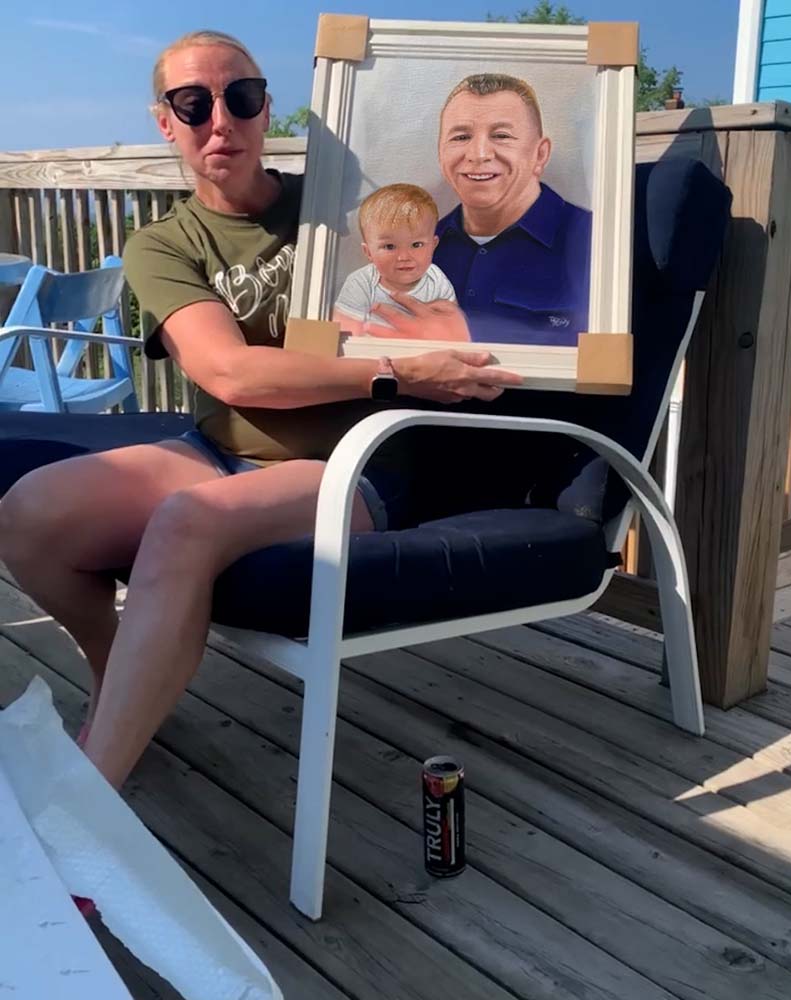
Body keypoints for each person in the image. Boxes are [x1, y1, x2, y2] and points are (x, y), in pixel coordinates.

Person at [0, 30, 522, 795]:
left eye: (241, 97)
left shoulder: (346, 212)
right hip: (220, 448)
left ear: (266, 108)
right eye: (193, 102)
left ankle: (91, 796)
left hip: (353, 467)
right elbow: (227, 373)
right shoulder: (164, 242)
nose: (221, 120)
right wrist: (393, 371)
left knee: (186, 520)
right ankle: (120, 667)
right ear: (165, 121)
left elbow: (460, 248)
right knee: (25, 514)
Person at [367, 73, 592, 346]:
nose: (479, 153)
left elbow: (603, 358)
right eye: (461, 137)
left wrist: (468, 335)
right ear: (440, 153)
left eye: (501, 135)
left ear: (540, 154)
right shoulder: (412, 248)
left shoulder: (595, 241)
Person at [333, 183, 461, 338]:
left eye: (416, 245)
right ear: (368, 252)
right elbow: (344, 335)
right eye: (390, 246)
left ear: (433, 245)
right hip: (373, 356)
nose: (404, 257)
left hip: (424, 355)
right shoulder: (361, 283)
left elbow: (452, 327)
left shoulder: (436, 280)